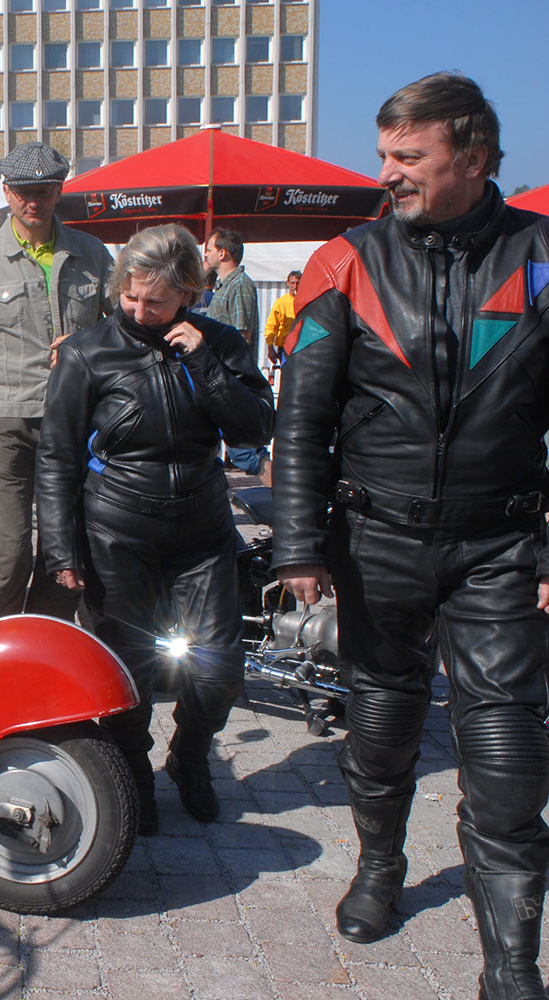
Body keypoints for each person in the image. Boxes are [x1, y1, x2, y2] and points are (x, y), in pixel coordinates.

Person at [272, 73, 549, 997]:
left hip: (498, 546)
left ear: (472, 158)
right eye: (384, 153)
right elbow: (300, 418)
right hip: (377, 541)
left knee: (508, 754)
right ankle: (380, 867)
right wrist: (298, 546)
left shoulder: (542, 256)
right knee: (383, 729)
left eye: (407, 156)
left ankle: (512, 961)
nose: (385, 171)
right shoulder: (342, 260)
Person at [36, 224, 273, 836]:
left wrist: (206, 363)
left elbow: (254, 429)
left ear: (189, 294)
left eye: (157, 302)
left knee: (219, 666)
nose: (141, 312)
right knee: (127, 667)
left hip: (202, 531)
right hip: (117, 530)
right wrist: (61, 549)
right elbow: (57, 455)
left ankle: (190, 755)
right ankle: (132, 771)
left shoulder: (217, 341)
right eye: (132, 297)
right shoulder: (89, 350)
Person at [0, 141, 114, 619]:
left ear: (59, 191)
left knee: (66, 554)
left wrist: (87, 343)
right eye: (24, 192)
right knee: (5, 556)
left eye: (45, 191)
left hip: (75, 423)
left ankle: (44, 640)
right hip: (4, 425)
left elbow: (124, 330)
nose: (34, 202)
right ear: (7, 191)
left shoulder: (92, 254)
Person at [203, 228, 268, 482]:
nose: (205, 254)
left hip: (232, 382)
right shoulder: (225, 286)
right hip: (218, 381)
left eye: (208, 249)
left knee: (248, 454)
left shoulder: (240, 286)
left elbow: (242, 336)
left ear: (222, 252)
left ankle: (286, 508)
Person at [263, 269, 303, 366]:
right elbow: (271, 326)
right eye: (293, 283)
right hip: (285, 348)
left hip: (302, 347)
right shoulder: (281, 303)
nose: (295, 286)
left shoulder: (305, 301)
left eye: (298, 283)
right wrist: (270, 348)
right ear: (288, 283)